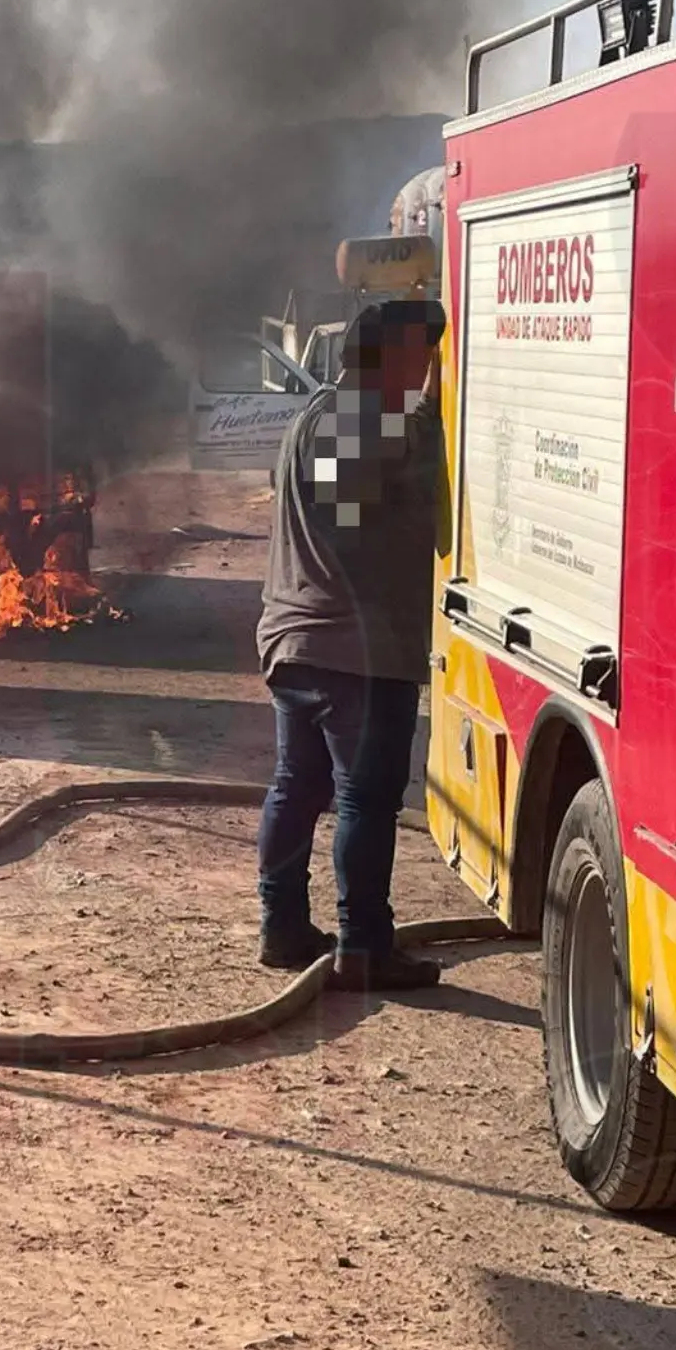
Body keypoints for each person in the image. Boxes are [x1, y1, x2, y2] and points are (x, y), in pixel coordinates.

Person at [255, 296, 447, 993]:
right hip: (352, 652)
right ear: (390, 360)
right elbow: (355, 511)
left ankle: (283, 929)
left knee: (296, 786)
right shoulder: (358, 425)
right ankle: (363, 947)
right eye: (422, 359)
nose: (428, 373)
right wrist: (428, 423)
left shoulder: (313, 415)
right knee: (364, 799)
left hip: (296, 640)